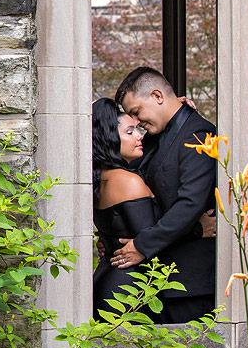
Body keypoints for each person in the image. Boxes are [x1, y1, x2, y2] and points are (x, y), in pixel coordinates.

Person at [112, 66, 217, 324]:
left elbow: (191, 203)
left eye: (136, 112)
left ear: (158, 96)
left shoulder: (198, 134)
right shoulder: (151, 139)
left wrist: (141, 246)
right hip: (156, 282)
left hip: (189, 286)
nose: (136, 122)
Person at [91, 97, 159, 317]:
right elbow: (152, 240)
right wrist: (199, 228)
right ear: (110, 139)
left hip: (109, 280)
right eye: (130, 132)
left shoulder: (101, 178)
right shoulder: (128, 181)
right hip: (127, 289)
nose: (140, 136)